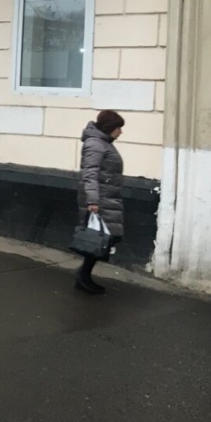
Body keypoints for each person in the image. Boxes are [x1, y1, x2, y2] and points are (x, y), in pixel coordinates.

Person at [76, 110, 126, 295]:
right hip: (100, 200)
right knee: (98, 239)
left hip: (107, 198)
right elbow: (90, 174)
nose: (120, 131)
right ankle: (83, 277)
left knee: (102, 239)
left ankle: (84, 276)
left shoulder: (103, 143)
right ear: (110, 127)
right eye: (118, 127)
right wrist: (93, 201)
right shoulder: (95, 144)